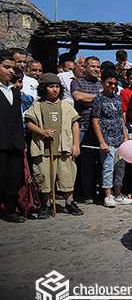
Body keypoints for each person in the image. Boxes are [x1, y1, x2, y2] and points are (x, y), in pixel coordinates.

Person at [25, 73, 83, 218]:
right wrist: (42, 132)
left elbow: (74, 124)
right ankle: (47, 204)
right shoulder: (37, 105)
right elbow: (30, 124)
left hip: (64, 148)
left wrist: (76, 145)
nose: (55, 90)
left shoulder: (65, 105)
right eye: (51, 86)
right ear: (44, 88)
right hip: (43, 149)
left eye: (57, 86)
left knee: (66, 175)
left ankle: (70, 202)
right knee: (44, 176)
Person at [91, 69, 132, 208]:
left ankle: (117, 193)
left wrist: (125, 136)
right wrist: (102, 141)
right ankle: (108, 195)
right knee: (108, 167)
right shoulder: (98, 99)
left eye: (115, 84)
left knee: (120, 167)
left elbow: (121, 118)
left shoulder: (117, 98)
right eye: (109, 83)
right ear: (103, 83)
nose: (112, 86)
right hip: (107, 138)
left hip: (120, 138)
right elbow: (95, 120)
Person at [71, 56, 103, 204]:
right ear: (85, 68)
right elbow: (78, 97)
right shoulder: (77, 82)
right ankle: (86, 193)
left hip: (101, 130)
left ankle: (101, 192)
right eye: (93, 66)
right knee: (85, 164)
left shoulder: (102, 84)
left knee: (101, 163)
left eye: (98, 67)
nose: (96, 69)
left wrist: (89, 100)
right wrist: (99, 99)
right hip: (83, 128)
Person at [0, 51, 26, 223]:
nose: (10, 71)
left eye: (12, 67)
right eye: (6, 67)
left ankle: (9, 211)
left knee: (12, 179)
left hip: (14, 143)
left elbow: (18, 118)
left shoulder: (15, 92)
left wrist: (20, 142)